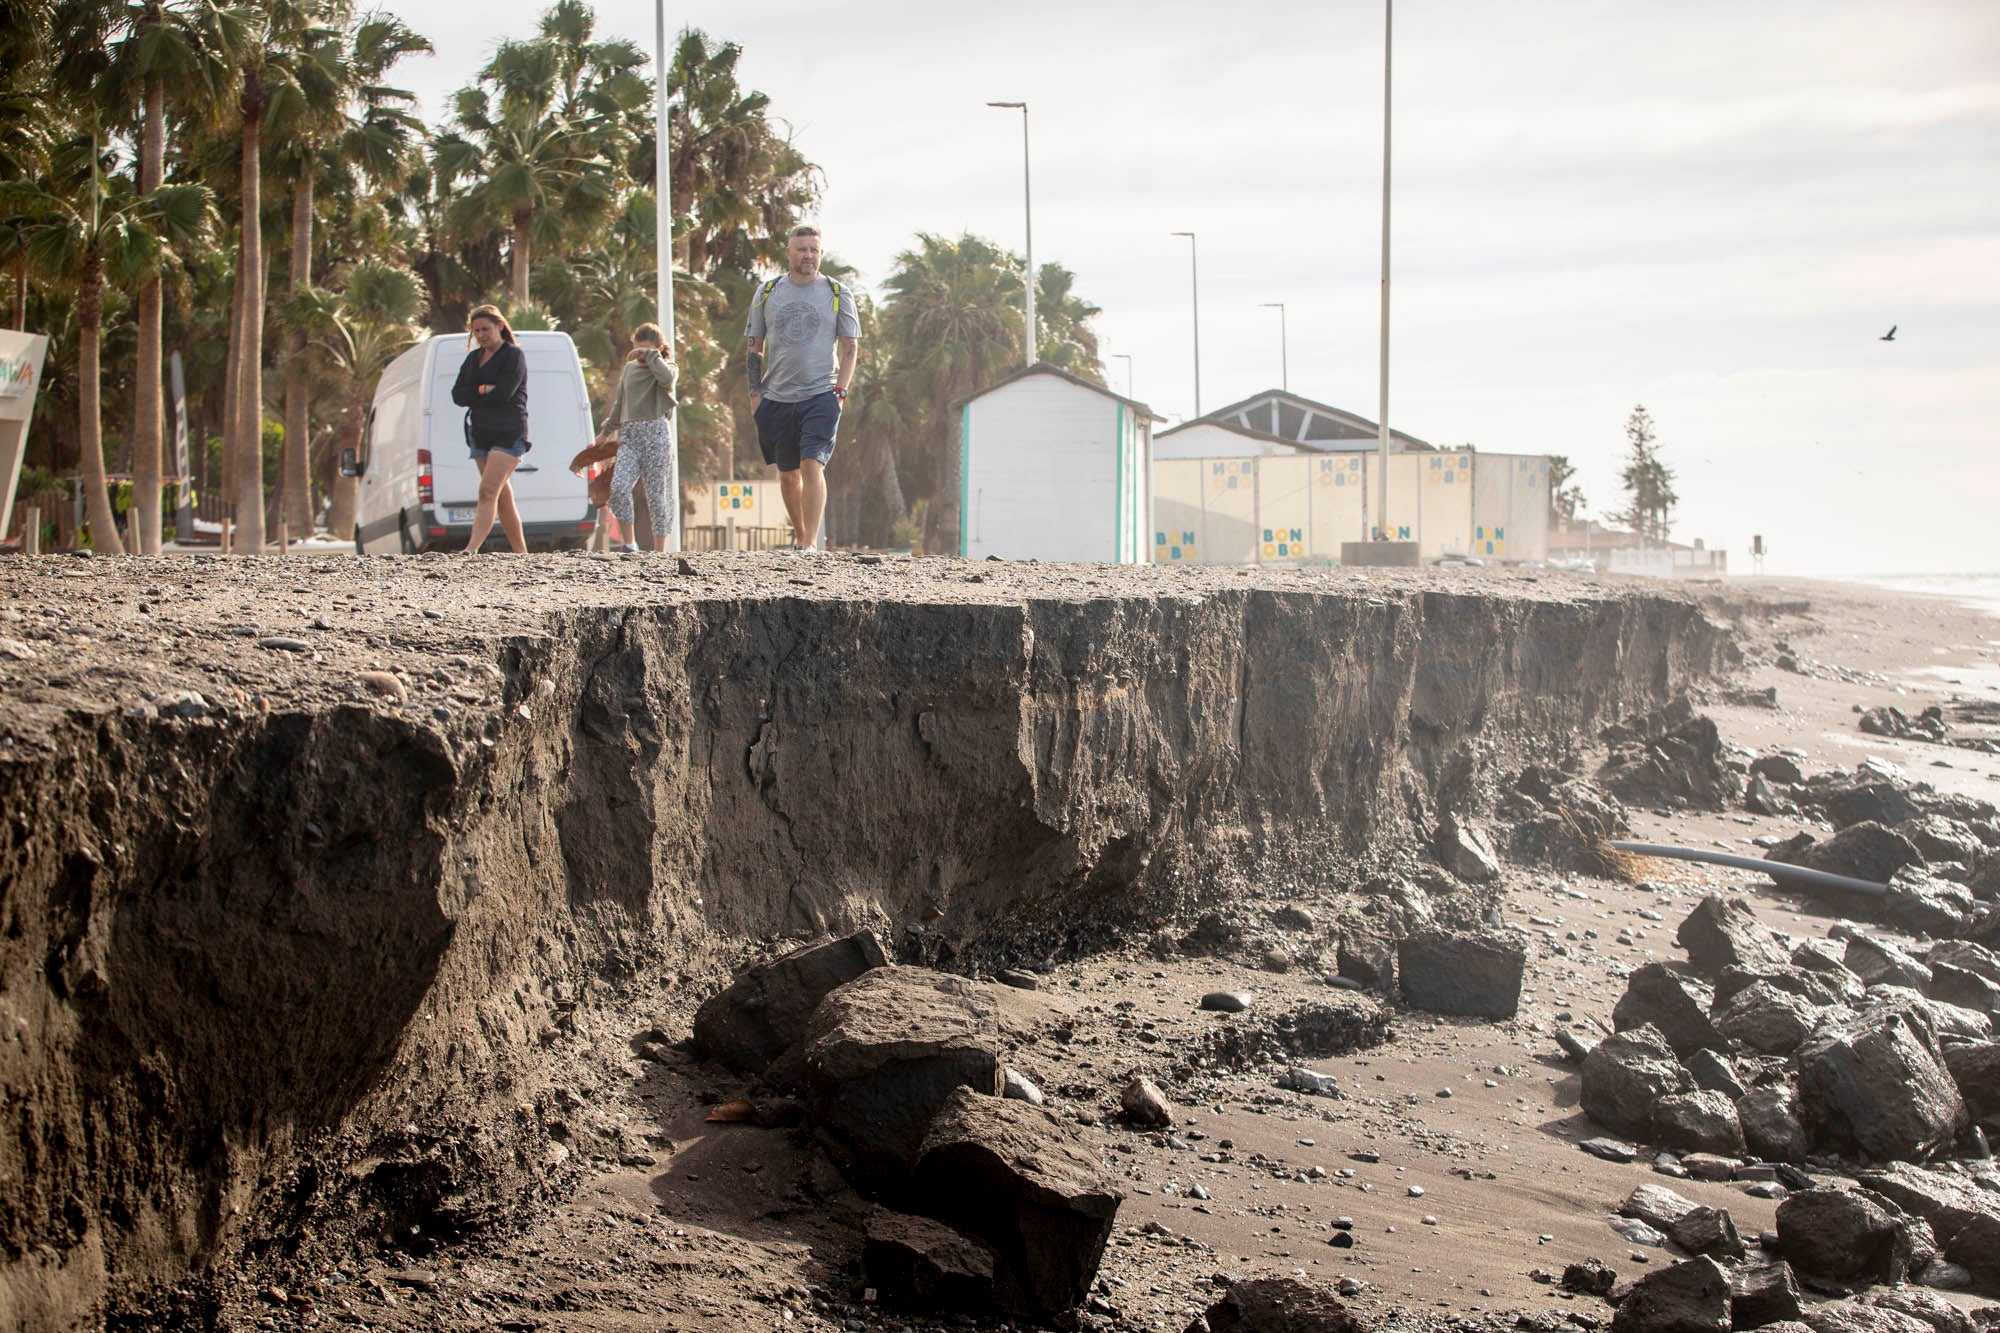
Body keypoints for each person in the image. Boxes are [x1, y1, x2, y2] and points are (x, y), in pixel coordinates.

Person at [744, 224, 859, 552]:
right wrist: (755, 394)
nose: (808, 255)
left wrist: (840, 392)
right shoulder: (768, 292)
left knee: (812, 463)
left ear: (820, 253)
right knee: (787, 473)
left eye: (813, 249)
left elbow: (850, 347)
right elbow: (754, 347)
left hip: (822, 394)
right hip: (777, 396)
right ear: (789, 252)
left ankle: (809, 544)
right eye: (801, 249)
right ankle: (799, 534)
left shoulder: (838, 293)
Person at [450, 304, 529, 553]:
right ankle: (521, 553)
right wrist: (483, 389)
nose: (482, 335)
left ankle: (471, 549)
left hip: (509, 433)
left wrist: (476, 392)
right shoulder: (473, 359)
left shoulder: (513, 356)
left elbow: (505, 393)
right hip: (481, 433)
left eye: (486, 329)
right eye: (477, 331)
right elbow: (458, 395)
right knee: (502, 497)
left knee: (487, 491)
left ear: (500, 326)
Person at [593, 323, 678, 552]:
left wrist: (651, 356)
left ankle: (660, 550)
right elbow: (620, 403)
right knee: (618, 487)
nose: (639, 354)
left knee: (657, 495)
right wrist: (605, 432)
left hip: (656, 434)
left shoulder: (666, 366)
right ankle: (630, 544)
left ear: (658, 349)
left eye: (646, 350)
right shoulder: (629, 369)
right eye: (636, 349)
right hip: (630, 436)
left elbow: (667, 380)